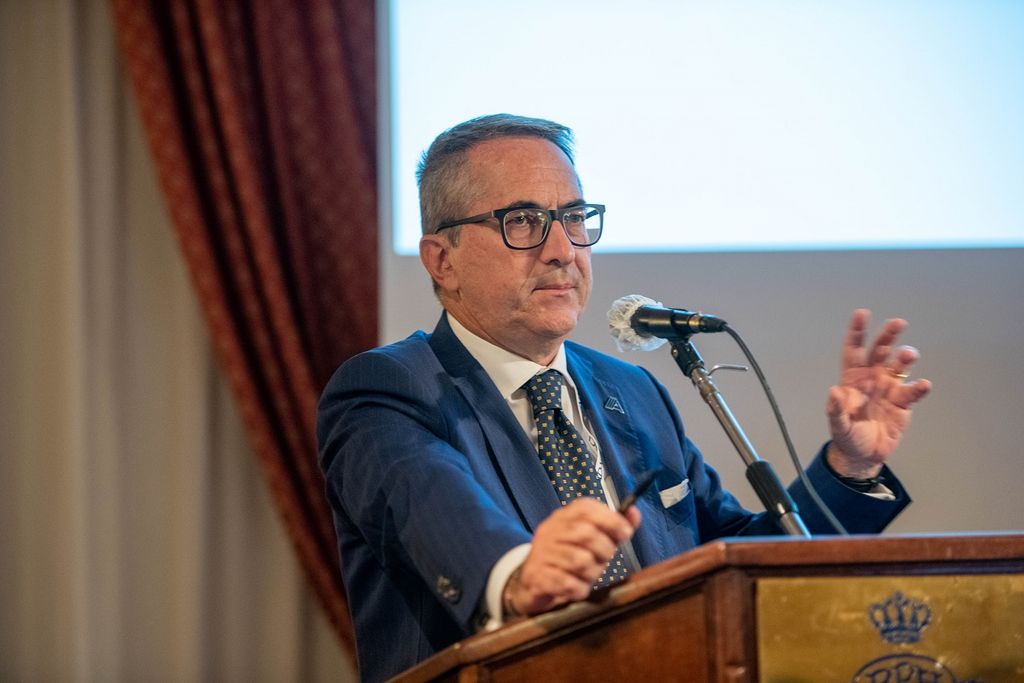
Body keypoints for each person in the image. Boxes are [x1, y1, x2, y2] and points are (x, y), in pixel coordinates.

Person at [317, 114, 931, 682]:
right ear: (442, 260)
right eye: (523, 221)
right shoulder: (389, 390)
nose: (563, 250)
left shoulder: (632, 392)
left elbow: (736, 560)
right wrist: (520, 576)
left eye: (575, 217)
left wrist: (850, 467)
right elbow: (430, 505)